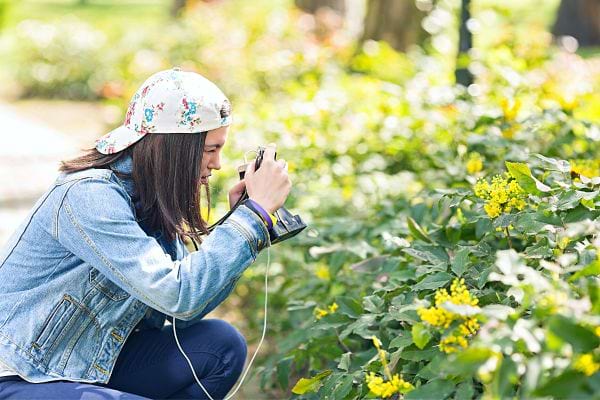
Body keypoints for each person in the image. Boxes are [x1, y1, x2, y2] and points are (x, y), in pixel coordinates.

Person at [0, 68, 291, 399]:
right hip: (24, 373)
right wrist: (251, 221)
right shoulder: (90, 196)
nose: (218, 164)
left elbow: (185, 312)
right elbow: (176, 294)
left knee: (221, 346)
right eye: (210, 149)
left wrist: (239, 221)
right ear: (175, 147)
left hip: (92, 362)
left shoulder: (152, 198)